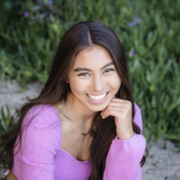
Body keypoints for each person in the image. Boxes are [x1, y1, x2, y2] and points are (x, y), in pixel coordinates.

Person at [1, 21, 148, 180]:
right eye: (84, 74)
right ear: (66, 75)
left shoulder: (126, 113)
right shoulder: (42, 123)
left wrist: (126, 137)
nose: (98, 86)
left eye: (108, 70)